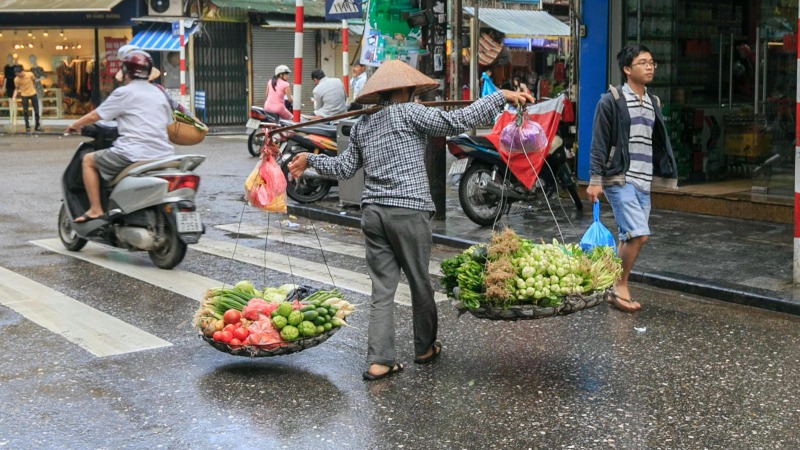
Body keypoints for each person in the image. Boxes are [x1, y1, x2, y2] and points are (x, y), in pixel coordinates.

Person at [288, 60, 534, 380]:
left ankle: (379, 360)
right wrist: (499, 96)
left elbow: (344, 169)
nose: (415, 95)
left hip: (373, 214)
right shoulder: (408, 112)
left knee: (382, 290)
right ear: (402, 90)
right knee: (420, 283)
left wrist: (311, 158)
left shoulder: (363, 124)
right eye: (412, 91)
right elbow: (457, 120)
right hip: (408, 210)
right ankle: (424, 348)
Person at [586, 44, 678, 312]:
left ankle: (610, 285)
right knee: (639, 234)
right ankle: (619, 285)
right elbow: (599, 143)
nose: (649, 67)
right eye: (643, 62)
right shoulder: (611, 100)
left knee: (629, 236)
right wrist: (595, 179)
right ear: (627, 69)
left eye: (652, 62)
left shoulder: (654, 102)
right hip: (619, 179)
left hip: (644, 181)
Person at [66, 50, 174, 223]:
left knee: (88, 160)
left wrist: (74, 124)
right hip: (164, 154)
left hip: (133, 153)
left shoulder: (124, 92)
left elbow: (96, 116)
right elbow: (168, 123)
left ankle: (95, 209)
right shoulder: (159, 93)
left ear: (126, 72)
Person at [12, 65, 40, 132]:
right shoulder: (16, 79)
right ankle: (27, 126)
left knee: (36, 110)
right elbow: (16, 89)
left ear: (22, 71)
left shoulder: (30, 74)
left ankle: (37, 126)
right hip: (24, 94)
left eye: (19, 74)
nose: (18, 75)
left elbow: (34, 81)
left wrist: (32, 88)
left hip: (33, 93)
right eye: (17, 74)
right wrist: (14, 97)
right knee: (25, 111)